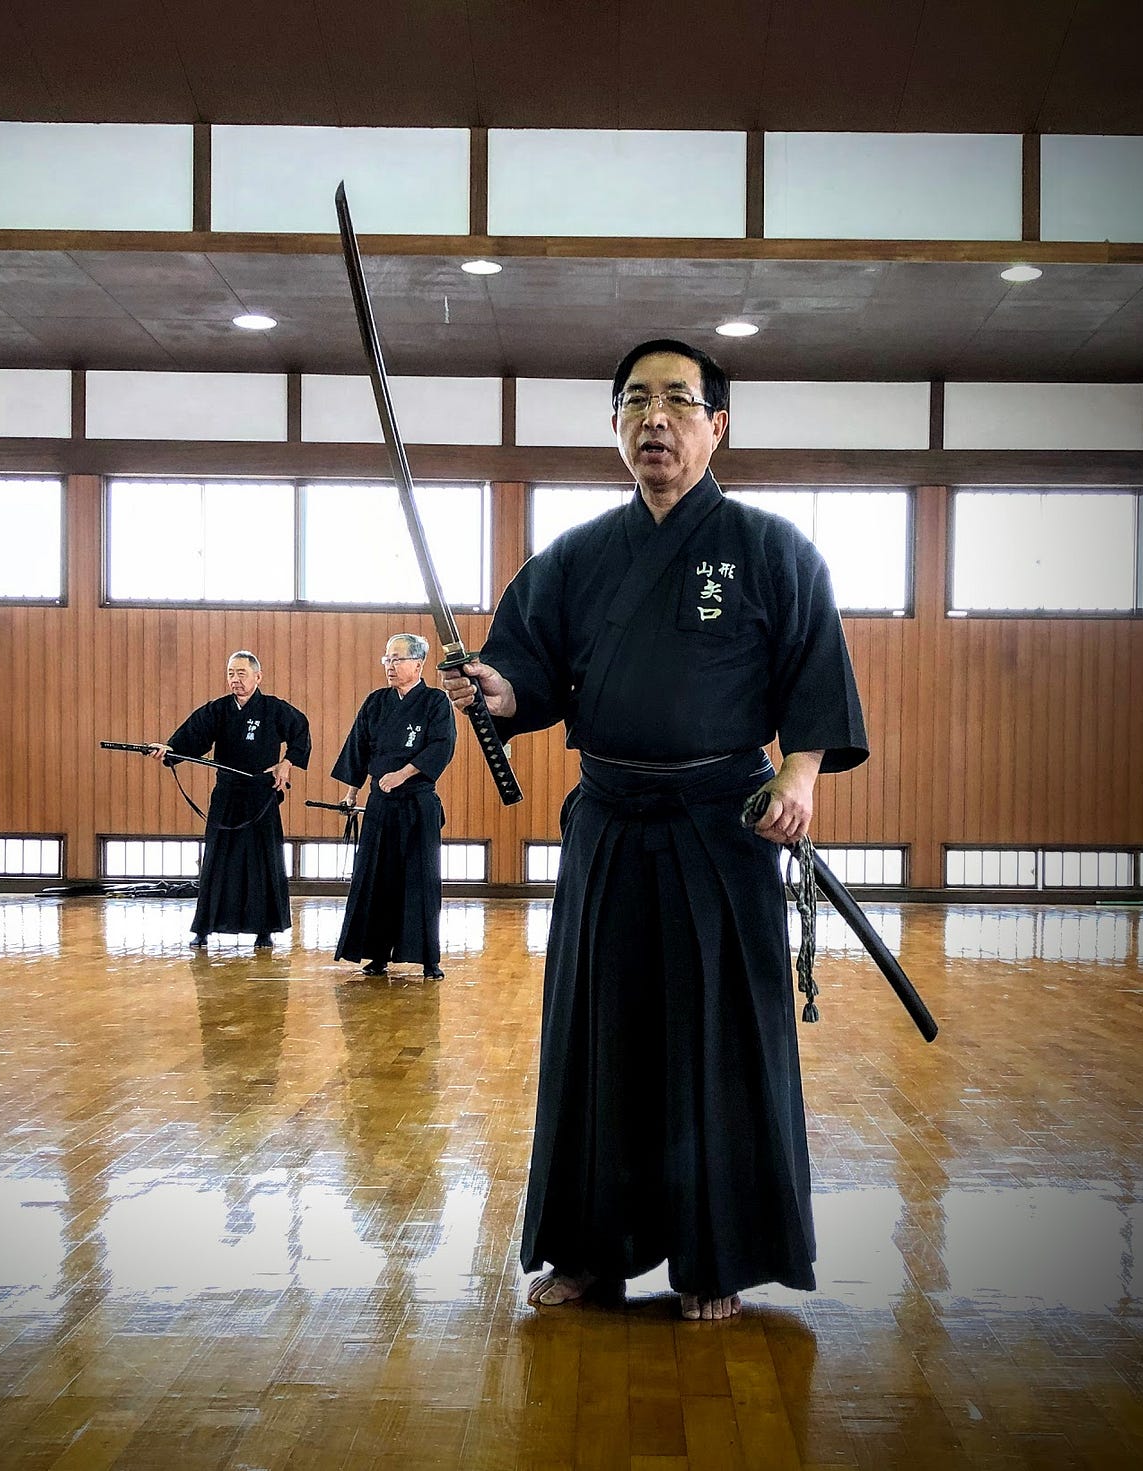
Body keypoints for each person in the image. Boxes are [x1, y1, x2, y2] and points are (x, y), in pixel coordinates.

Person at [441, 339, 868, 1321]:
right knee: (602, 1039)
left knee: (717, 1043)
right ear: (615, 427)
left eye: (679, 401)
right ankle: (592, 1250)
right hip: (611, 827)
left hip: (724, 828)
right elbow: (525, 679)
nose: (656, 420)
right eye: (636, 402)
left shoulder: (773, 550)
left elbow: (815, 686)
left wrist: (797, 778)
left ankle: (711, 1254)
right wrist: (495, 688)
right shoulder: (578, 557)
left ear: (717, 424)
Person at [148, 650, 310, 949]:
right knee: (218, 860)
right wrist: (169, 748)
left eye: (242, 673)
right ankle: (204, 927)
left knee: (264, 860)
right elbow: (192, 737)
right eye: (231, 674)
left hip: (261, 794)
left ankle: (265, 929)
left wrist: (287, 763)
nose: (235, 679)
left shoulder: (274, 709)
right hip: (227, 796)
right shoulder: (218, 710)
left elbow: (300, 730)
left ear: (258, 677)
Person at [332, 633, 457, 980]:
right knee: (375, 879)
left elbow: (441, 745)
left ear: (418, 664)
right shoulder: (376, 702)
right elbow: (357, 749)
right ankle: (375, 955)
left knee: (421, 880)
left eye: (397, 659)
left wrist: (402, 774)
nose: (390, 665)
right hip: (380, 806)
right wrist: (352, 793)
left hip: (417, 803)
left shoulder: (435, 702)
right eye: (387, 659)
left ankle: (428, 959)